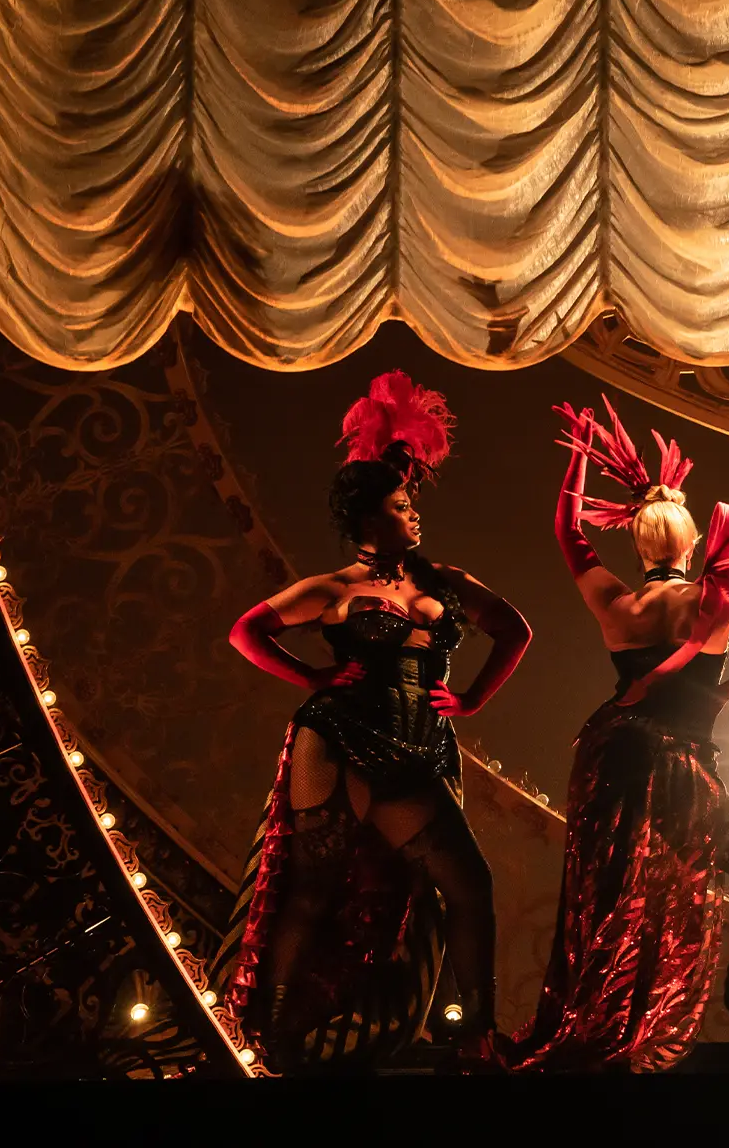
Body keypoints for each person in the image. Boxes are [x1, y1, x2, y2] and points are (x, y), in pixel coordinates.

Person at [221, 372, 530, 1069]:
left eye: (412, 502)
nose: (413, 514)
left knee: (457, 885)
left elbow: (515, 630)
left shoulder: (444, 580)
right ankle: (265, 1041)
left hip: (415, 746)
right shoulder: (334, 589)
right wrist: (315, 677)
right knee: (315, 888)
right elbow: (246, 633)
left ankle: (477, 1034)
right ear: (367, 519)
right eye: (399, 505)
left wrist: (473, 699)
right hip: (336, 735)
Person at [503, 398, 729, 1071]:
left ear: (637, 544)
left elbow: (566, 533)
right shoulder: (714, 600)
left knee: (612, 898)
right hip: (677, 764)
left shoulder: (616, 601)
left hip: (612, 749)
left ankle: (602, 1022)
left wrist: (580, 455)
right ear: (693, 543)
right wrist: (727, 691)